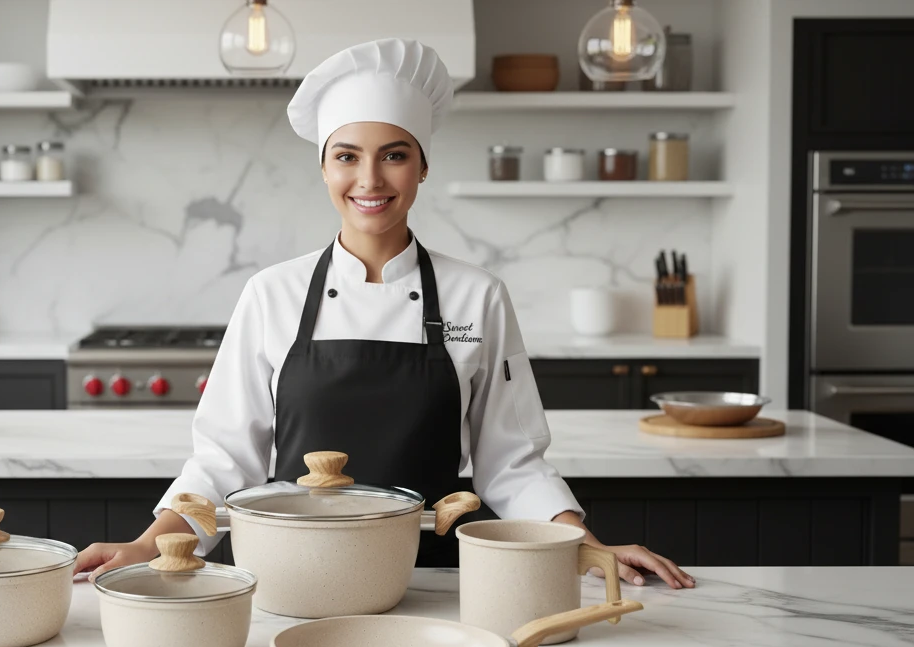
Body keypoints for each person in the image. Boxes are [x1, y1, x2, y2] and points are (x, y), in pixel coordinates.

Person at [75, 38, 694, 590]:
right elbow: (224, 459)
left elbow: (510, 460)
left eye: (394, 155)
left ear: (423, 166)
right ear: (323, 167)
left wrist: (584, 546)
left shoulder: (477, 295)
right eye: (346, 156)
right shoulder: (272, 293)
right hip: (291, 575)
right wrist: (146, 547)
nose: (369, 179)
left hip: (428, 577)